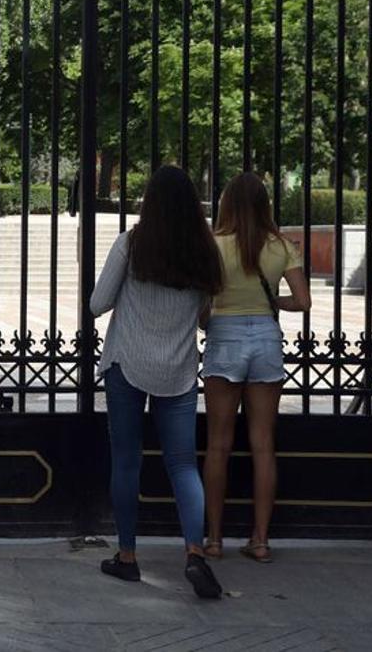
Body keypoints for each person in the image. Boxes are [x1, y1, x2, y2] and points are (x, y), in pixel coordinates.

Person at [90, 165, 224, 599]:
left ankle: (127, 557)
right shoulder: (206, 252)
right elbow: (206, 315)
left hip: (127, 363)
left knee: (126, 461)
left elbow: (97, 303)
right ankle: (194, 553)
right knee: (183, 465)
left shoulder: (132, 243)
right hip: (179, 371)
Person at [202, 172, 311, 563]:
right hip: (265, 338)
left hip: (224, 337)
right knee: (263, 444)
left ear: (226, 204)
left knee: (219, 444)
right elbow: (303, 302)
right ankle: (260, 539)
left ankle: (213, 539)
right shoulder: (281, 245)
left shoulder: (213, 245)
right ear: (265, 205)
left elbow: (203, 305)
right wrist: (270, 306)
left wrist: (211, 319)